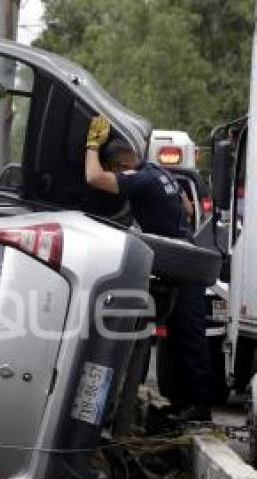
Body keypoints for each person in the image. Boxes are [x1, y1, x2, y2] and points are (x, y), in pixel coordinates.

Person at [84, 115, 212, 421]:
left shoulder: (138, 180)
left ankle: (198, 409)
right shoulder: (157, 172)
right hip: (186, 259)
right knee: (183, 338)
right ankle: (185, 406)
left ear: (119, 167)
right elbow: (186, 206)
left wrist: (91, 145)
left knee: (189, 339)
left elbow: (93, 178)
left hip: (183, 267)